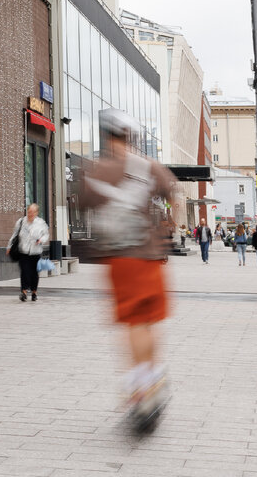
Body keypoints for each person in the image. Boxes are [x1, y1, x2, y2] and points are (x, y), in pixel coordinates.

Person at [79, 109, 177, 434]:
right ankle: (152, 374)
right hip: (150, 254)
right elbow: (174, 195)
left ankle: (141, 386)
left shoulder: (97, 170)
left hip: (120, 259)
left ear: (107, 137)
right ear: (131, 137)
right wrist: (169, 229)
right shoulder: (149, 166)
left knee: (133, 322)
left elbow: (84, 205)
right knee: (149, 320)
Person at [8, 203, 50, 301]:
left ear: (36, 212)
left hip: (36, 252)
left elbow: (46, 235)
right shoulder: (21, 221)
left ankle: (34, 292)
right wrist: (9, 246)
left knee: (34, 273)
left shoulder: (41, 222)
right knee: (25, 272)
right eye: (29, 211)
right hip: (24, 251)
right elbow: (14, 235)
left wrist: (41, 240)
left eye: (32, 212)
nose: (30, 214)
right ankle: (24, 292)